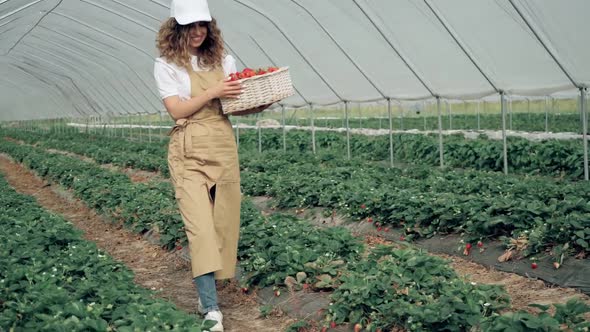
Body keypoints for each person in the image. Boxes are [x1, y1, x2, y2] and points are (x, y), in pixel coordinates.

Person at [154, 0, 269, 330]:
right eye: (191, 26)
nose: (198, 31)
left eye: (203, 25)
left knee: (223, 224)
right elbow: (177, 110)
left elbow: (233, 106)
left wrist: (259, 105)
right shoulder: (166, 65)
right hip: (189, 150)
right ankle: (211, 308)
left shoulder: (222, 59)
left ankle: (208, 294)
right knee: (200, 230)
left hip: (221, 145)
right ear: (177, 28)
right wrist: (214, 90)